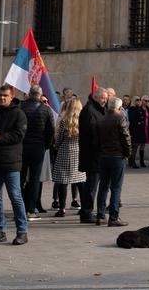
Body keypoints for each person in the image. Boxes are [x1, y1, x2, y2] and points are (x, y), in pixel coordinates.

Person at [0, 84, 28, 245]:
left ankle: (22, 231)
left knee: (15, 197)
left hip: (11, 163)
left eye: (5, 95)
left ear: (11, 96)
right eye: (0, 95)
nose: (2, 98)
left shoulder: (19, 114)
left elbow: (18, 135)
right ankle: (0, 230)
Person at [94, 96, 131, 227]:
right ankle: (114, 217)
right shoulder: (120, 118)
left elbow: (97, 140)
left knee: (103, 186)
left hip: (104, 156)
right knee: (116, 187)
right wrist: (128, 153)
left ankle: (101, 215)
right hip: (117, 156)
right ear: (119, 108)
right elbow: (125, 137)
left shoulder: (101, 119)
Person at [20, 88, 55, 215]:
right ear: (40, 95)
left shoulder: (21, 107)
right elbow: (51, 130)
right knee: (35, 179)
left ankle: (20, 206)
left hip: (22, 147)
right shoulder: (46, 109)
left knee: (21, 178)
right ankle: (31, 208)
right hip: (38, 147)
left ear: (29, 94)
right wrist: (46, 145)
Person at [76, 86, 107, 223]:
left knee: (93, 185)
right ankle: (86, 213)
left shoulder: (99, 110)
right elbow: (92, 132)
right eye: (102, 98)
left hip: (98, 155)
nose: (105, 100)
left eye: (106, 98)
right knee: (91, 186)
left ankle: (87, 210)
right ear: (95, 97)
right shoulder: (89, 110)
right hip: (92, 155)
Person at [52, 95, 85, 218]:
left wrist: (56, 145)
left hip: (65, 151)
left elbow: (59, 138)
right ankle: (84, 207)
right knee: (80, 181)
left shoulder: (64, 121)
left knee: (63, 182)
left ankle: (62, 209)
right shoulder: (82, 121)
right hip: (79, 152)